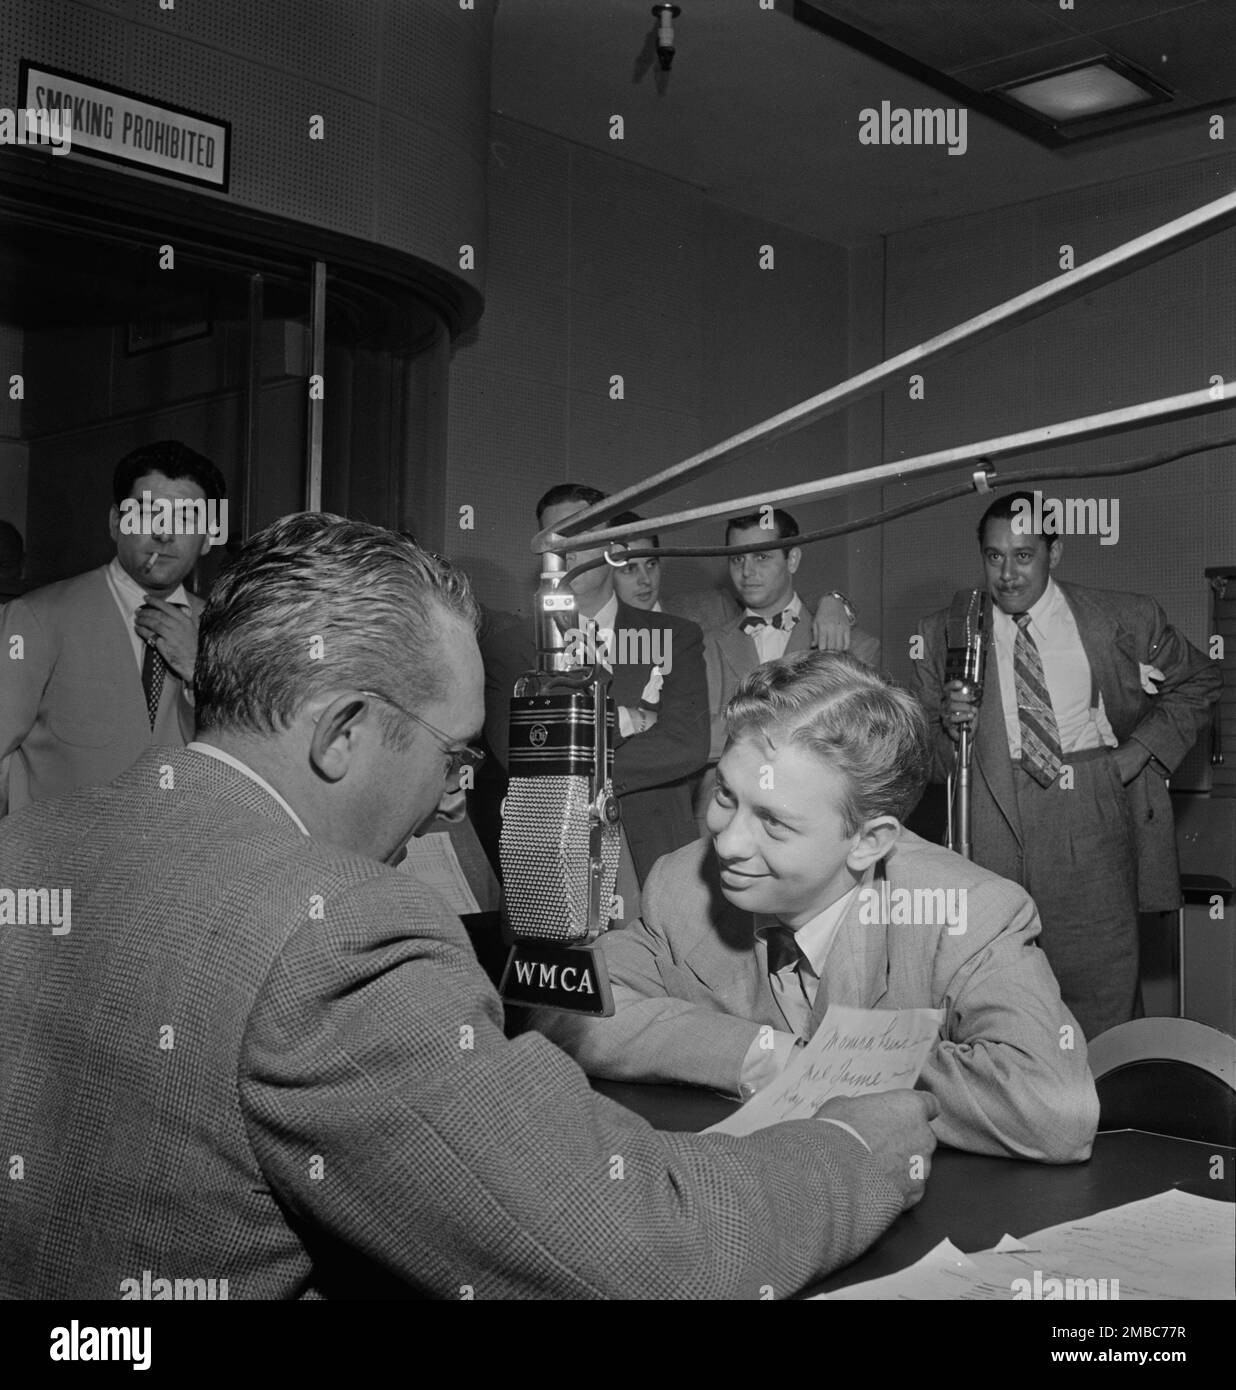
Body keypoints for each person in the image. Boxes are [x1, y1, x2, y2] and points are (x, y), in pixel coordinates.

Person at [0, 513, 938, 1300]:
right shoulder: (338, 934)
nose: (456, 798)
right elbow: (644, 1248)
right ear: (343, 733)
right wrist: (854, 1146)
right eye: (454, 757)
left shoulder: (25, 852)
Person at [534, 650, 1099, 1164]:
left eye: (774, 822)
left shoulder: (969, 913)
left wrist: (823, 1069)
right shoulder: (684, 882)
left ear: (870, 841)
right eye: (727, 796)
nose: (727, 842)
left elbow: (1055, 1108)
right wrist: (766, 1057)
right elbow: (565, 1007)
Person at [914, 491, 1221, 1040]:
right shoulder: (947, 632)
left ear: (1055, 553)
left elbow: (1200, 679)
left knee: (1101, 991)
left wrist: (1137, 753)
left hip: (1089, 809)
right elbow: (935, 768)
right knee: (993, 996)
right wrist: (948, 727)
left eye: (1024, 555)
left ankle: (1111, 1112)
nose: (1007, 574)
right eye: (994, 556)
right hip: (989, 813)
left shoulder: (1123, 617)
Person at [481, 483, 709, 887]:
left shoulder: (673, 636)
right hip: (552, 866)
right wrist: (628, 721)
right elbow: (519, 755)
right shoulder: (509, 648)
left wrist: (570, 760)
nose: (563, 550)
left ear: (613, 548)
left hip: (654, 863)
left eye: (577, 535)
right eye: (552, 539)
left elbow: (687, 743)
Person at [0, 440, 225, 814]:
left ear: (206, 538)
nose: (164, 535)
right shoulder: (38, 618)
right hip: (61, 864)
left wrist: (200, 672)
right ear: (115, 523)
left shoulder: (225, 634)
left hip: (176, 864)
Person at [695, 508, 882, 819]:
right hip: (726, 814)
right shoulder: (703, 645)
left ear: (792, 560)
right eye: (737, 559)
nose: (747, 572)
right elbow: (700, 740)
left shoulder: (856, 646)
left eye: (762, 557)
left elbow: (858, 752)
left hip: (815, 817)